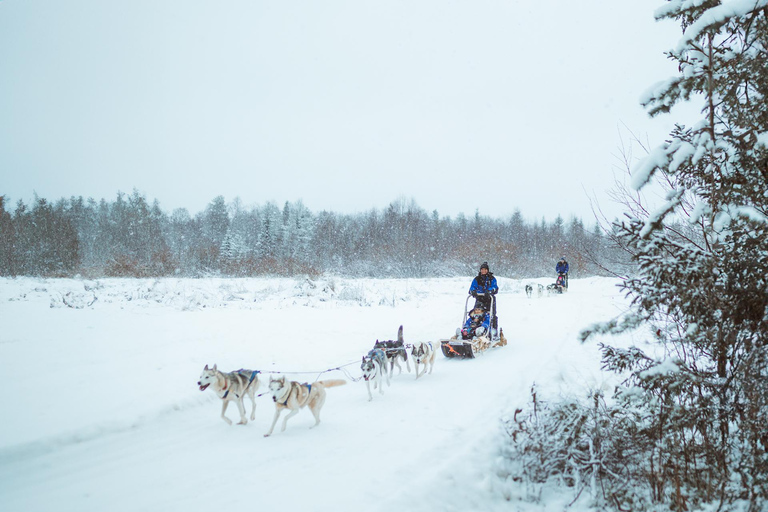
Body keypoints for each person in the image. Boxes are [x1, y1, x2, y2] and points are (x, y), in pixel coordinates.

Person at [469, 262, 498, 330]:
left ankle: (493, 330)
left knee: (491, 315)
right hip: (479, 298)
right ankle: (473, 328)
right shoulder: (477, 279)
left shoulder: (492, 279)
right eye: (482, 269)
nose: (483, 271)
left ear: (487, 270)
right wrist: (473, 291)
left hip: (489, 299)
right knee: (476, 314)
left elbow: (495, 287)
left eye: (485, 269)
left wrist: (490, 291)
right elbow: (472, 287)